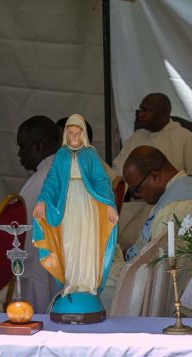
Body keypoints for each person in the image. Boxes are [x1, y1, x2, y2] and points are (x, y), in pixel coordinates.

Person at [32, 114, 119, 322]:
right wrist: (43, 201)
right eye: (70, 133)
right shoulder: (61, 155)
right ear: (65, 135)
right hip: (68, 205)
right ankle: (72, 283)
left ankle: (88, 285)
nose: (73, 137)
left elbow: (101, 180)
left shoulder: (90, 155)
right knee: (69, 243)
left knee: (87, 243)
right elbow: (52, 181)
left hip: (88, 205)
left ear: (83, 135)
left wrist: (108, 204)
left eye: (77, 133)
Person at [113, 93, 192, 250]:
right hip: (137, 206)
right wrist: (132, 191)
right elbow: (118, 173)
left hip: (174, 208)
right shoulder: (137, 137)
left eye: (147, 110)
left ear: (164, 114)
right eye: (140, 109)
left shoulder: (187, 139)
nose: (141, 114)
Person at [121, 146, 192, 259]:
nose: (137, 196)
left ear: (155, 177)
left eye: (136, 190)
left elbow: (156, 265)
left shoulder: (171, 211)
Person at [15, 115, 62, 311]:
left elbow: (26, 244)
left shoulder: (39, 183)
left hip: (44, 275)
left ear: (38, 147)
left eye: (22, 146)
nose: (19, 154)